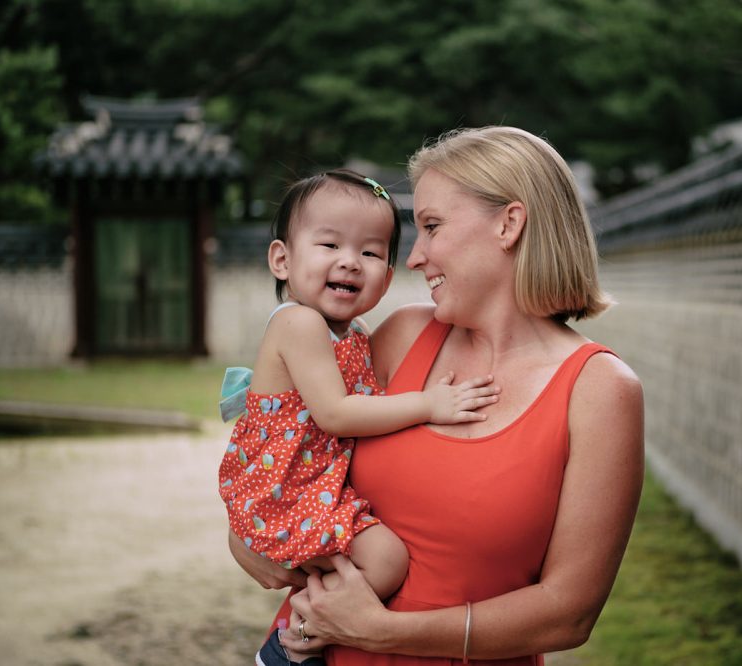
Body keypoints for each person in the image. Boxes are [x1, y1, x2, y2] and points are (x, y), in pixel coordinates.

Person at [230, 127, 645, 665]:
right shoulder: (401, 337)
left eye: (431, 227)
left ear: (508, 224)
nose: (415, 257)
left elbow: (569, 612)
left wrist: (383, 632)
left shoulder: (600, 390)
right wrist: (244, 535)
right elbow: (294, 443)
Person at [217, 168, 500, 666]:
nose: (350, 262)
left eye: (370, 253)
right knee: (386, 560)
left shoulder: (357, 334)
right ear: (282, 259)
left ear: (387, 278)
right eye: (329, 245)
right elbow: (336, 413)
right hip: (285, 489)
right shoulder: (298, 323)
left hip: (308, 483)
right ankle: (295, 640)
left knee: (362, 562)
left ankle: (301, 634)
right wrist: (431, 405)